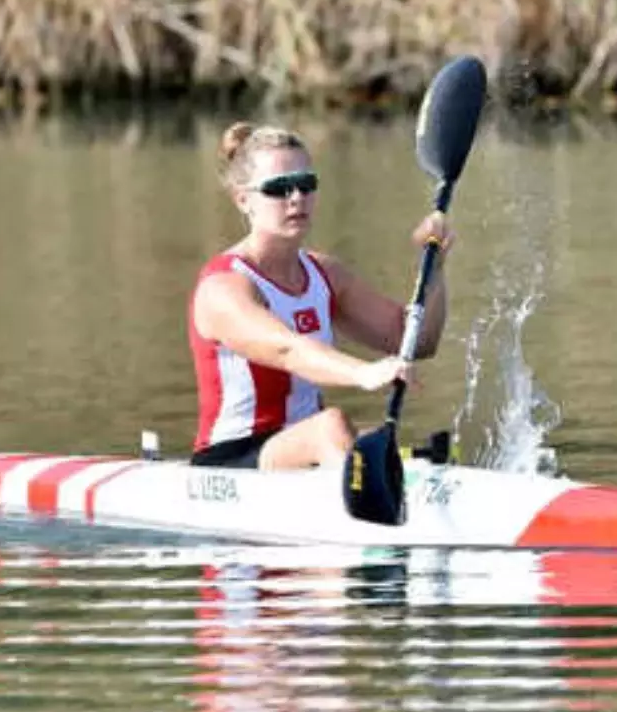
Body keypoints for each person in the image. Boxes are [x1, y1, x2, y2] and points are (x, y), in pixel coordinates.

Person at [188, 121, 454, 471]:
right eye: (279, 188)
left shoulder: (325, 275)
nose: (297, 197)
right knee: (331, 427)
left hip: (305, 451)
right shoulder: (222, 287)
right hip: (231, 459)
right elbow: (288, 350)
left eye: (306, 184)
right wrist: (365, 373)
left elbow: (416, 342)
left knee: (372, 437)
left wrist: (433, 265)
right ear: (243, 200)